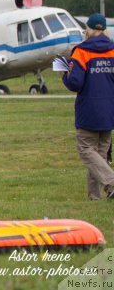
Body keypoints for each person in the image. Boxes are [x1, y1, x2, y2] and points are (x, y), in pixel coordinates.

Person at [62, 13, 114, 200]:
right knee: (99, 155)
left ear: (89, 29)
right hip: (109, 111)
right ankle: (95, 196)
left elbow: (75, 82)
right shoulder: (113, 49)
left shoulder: (81, 51)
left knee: (86, 151)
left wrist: (64, 74)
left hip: (89, 110)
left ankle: (111, 182)